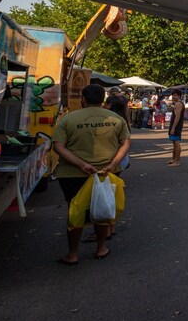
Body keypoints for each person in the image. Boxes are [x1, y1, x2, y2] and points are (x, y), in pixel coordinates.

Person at [51, 84, 130, 265]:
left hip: (72, 173)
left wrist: (82, 164)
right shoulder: (116, 119)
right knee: (102, 209)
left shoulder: (68, 119)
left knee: (75, 211)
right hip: (106, 173)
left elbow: (58, 146)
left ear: (83, 99)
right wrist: (113, 164)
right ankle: (101, 248)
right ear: (103, 100)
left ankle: (73, 254)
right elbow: (125, 143)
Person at [166, 89, 185, 167]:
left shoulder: (179, 104)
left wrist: (173, 127)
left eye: (175, 95)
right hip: (174, 125)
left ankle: (177, 161)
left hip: (176, 126)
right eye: (173, 95)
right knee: (174, 142)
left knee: (176, 143)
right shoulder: (176, 104)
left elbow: (177, 117)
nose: (173, 97)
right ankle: (173, 159)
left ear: (179, 96)